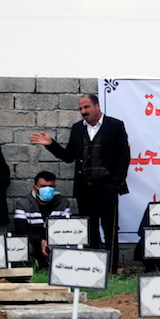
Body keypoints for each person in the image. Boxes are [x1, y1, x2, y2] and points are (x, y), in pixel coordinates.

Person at [30, 93, 131, 272]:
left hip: (107, 188)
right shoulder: (77, 128)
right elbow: (69, 156)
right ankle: (93, 270)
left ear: (97, 106)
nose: (83, 111)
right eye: (81, 108)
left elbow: (124, 157)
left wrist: (116, 181)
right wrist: (51, 144)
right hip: (85, 189)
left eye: (87, 107)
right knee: (89, 231)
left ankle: (111, 271)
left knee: (110, 230)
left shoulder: (115, 126)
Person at [12, 171, 72, 267]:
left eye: (50, 186)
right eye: (43, 186)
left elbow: (67, 229)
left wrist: (51, 242)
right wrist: (41, 241)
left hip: (56, 242)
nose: (47, 189)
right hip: (34, 242)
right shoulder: (23, 204)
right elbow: (21, 231)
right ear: (35, 188)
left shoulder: (63, 204)